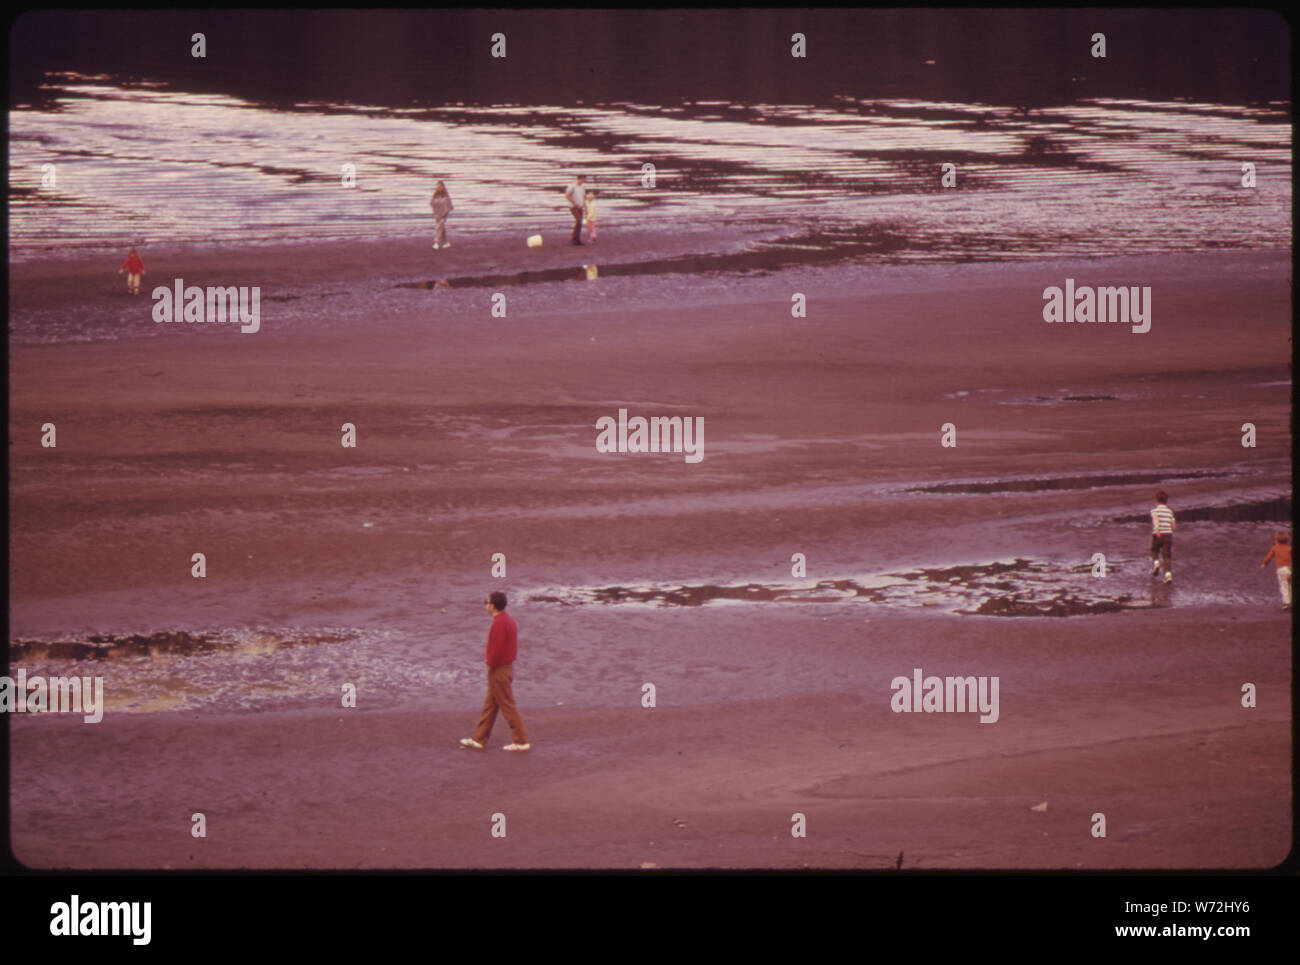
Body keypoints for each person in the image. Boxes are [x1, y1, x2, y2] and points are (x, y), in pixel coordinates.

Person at [460, 591, 530, 751]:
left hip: (499, 670)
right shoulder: (508, 620)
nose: (486, 604)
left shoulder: (499, 623)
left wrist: (490, 664)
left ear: (492, 605)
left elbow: (497, 649)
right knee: (490, 705)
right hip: (504, 668)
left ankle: (521, 741)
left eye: (487, 602)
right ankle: (478, 739)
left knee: (507, 705)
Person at [1259, 531, 1292, 610]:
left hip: (1281, 569)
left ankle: (1286, 603)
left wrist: (1264, 564)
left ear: (1276, 540)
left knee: (1284, 586)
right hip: (1290, 569)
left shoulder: (1275, 548)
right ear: (1287, 540)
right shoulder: (1289, 548)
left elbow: (1269, 557)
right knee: (1291, 586)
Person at [1149, 489, 1175, 584]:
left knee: (1153, 550)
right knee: (1167, 556)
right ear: (1166, 501)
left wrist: (1157, 531)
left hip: (1158, 534)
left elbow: (1156, 522)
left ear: (1156, 500)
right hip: (1168, 534)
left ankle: (1156, 563)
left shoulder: (1154, 511)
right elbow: (1173, 525)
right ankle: (1168, 575)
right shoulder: (1170, 512)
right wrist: (1171, 530)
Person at [563, 174, 587, 246]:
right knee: (579, 220)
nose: (584, 181)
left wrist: (585, 207)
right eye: (583, 179)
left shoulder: (582, 187)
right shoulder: (572, 186)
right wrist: (574, 202)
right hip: (573, 207)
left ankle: (577, 239)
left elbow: (583, 197)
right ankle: (574, 238)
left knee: (580, 223)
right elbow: (567, 195)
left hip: (580, 207)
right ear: (579, 179)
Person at [430, 181, 454, 250]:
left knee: (439, 227)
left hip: (444, 215)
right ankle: (446, 242)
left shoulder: (446, 196)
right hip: (437, 215)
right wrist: (435, 213)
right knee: (441, 229)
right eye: (437, 186)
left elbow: (449, 206)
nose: (438, 187)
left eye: (440, 186)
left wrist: (445, 215)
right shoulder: (435, 195)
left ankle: (436, 243)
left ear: (443, 187)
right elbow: (431, 203)